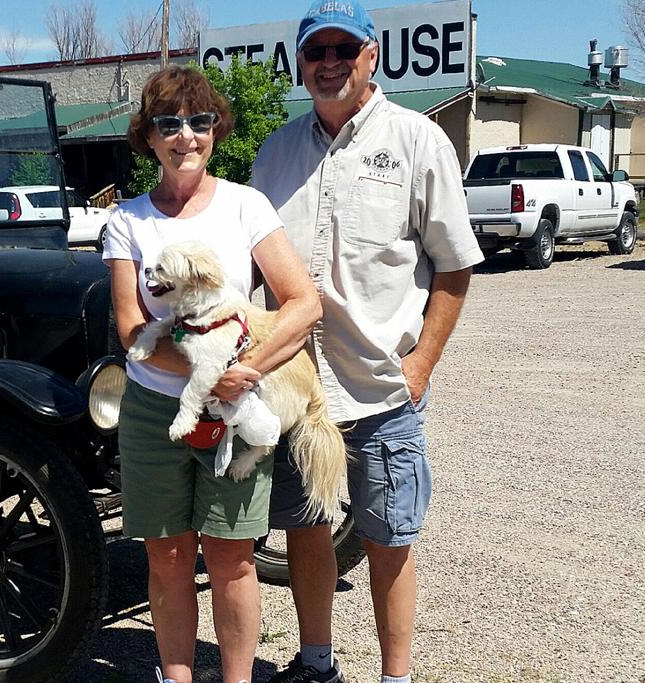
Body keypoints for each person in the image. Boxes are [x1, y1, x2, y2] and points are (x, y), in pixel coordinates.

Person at [249, 2, 484, 682]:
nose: (328, 62)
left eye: (342, 50)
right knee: (305, 528)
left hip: (381, 388)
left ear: (370, 57)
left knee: (387, 537)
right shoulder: (276, 152)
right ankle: (317, 662)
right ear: (301, 63)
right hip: (296, 391)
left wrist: (420, 365)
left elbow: (456, 264)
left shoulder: (417, 142)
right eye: (315, 50)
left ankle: (395, 675)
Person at [102, 65, 322, 683]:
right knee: (167, 556)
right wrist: (208, 372)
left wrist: (241, 372)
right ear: (148, 137)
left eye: (199, 122)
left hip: (233, 410)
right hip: (155, 412)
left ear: (215, 131)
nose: (185, 137)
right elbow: (130, 330)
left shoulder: (246, 207)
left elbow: (302, 303)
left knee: (231, 559)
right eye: (168, 124)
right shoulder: (129, 220)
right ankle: (176, 677)